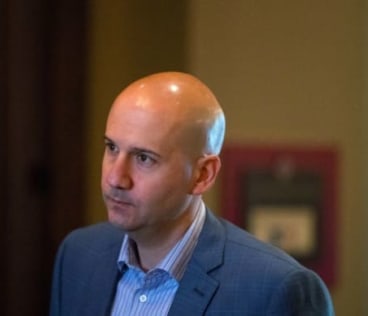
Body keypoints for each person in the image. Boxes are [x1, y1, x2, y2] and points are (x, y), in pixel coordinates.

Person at [49, 72, 334, 315]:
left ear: (202, 175)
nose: (115, 178)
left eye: (144, 158)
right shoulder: (78, 255)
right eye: (112, 148)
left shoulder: (277, 289)